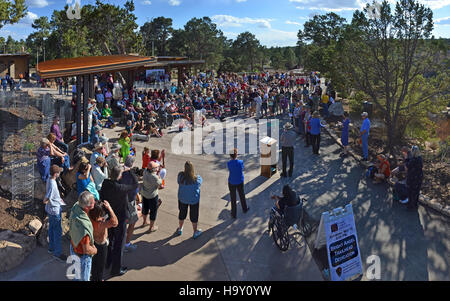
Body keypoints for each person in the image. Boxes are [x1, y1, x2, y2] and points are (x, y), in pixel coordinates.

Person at [100, 166, 139, 277]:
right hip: (120, 218)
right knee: (119, 243)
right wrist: (131, 172)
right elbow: (135, 185)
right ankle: (116, 269)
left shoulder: (105, 183)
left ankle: (108, 262)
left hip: (109, 216)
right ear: (120, 176)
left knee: (110, 239)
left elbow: (102, 196)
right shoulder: (120, 188)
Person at [68, 191, 97, 281]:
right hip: (82, 256)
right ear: (87, 207)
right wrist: (95, 250)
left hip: (73, 247)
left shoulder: (76, 206)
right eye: (93, 202)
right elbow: (86, 249)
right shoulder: (84, 228)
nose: (95, 202)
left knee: (77, 275)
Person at [89, 200, 118, 282]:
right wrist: (110, 208)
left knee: (94, 265)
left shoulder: (89, 218)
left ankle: (93, 278)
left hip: (93, 243)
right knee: (100, 267)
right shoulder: (101, 224)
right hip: (101, 246)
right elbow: (115, 223)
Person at [43, 165, 67, 262]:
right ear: (56, 174)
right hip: (54, 210)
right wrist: (47, 200)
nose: (59, 173)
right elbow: (47, 197)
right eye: (59, 172)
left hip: (50, 210)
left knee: (51, 229)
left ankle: (51, 248)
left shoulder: (49, 178)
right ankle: (57, 253)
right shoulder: (53, 184)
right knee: (57, 232)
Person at [176, 161, 203, 239]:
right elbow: (199, 184)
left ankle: (180, 229)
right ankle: (195, 232)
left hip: (182, 199)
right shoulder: (197, 179)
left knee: (182, 213)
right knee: (194, 216)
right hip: (193, 200)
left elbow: (178, 181)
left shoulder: (180, 176)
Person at [119, 156, 140, 252]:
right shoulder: (131, 175)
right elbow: (135, 190)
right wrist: (137, 196)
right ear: (132, 164)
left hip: (120, 200)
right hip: (129, 202)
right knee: (132, 222)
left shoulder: (119, 170)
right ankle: (126, 244)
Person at [227, 148, 249, 219]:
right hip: (240, 181)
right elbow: (241, 168)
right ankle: (245, 208)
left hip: (232, 182)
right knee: (242, 195)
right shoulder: (240, 162)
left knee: (233, 198)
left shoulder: (229, 163)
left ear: (230, 156)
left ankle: (234, 214)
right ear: (236, 155)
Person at [140, 161, 163, 232]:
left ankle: (144, 222)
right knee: (153, 211)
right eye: (156, 167)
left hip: (144, 194)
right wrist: (159, 174)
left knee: (145, 208)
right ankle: (151, 227)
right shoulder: (154, 177)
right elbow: (160, 183)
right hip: (152, 196)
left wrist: (156, 171)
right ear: (153, 169)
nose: (157, 168)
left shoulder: (145, 172)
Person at [405, 146, 423, 210]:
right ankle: (415, 204)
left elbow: (407, 165)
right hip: (419, 177)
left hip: (412, 177)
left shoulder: (413, 160)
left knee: (410, 191)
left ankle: (411, 206)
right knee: (416, 191)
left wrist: (406, 159)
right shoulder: (420, 158)